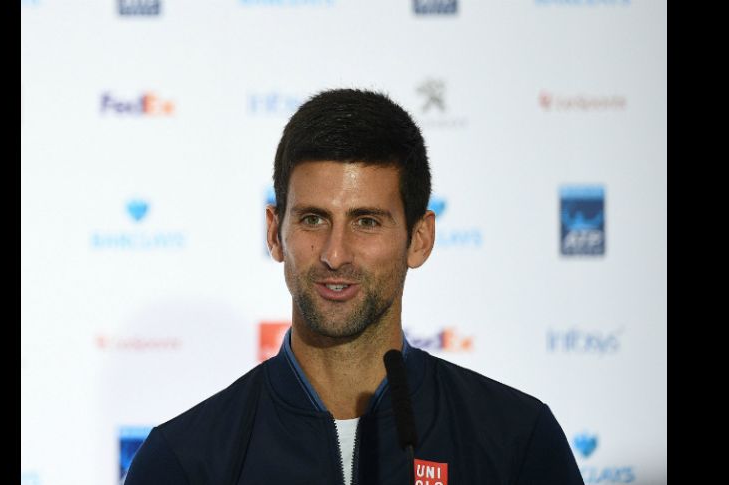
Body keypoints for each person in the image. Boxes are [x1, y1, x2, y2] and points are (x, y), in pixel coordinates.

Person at [125, 89, 584, 485]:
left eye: (366, 222)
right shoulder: (185, 459)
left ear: (419, 239)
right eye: (312, 219)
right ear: (273, 233)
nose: (335, 253)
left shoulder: (516, 439)